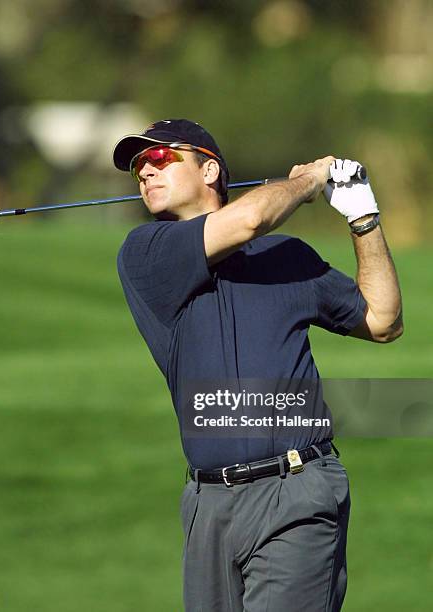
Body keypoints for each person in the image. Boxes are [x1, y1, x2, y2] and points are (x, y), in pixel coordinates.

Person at [112, 119, 403, 611]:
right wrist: (309, 181)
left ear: (209, 170)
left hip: (297, 493)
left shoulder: (286, 256)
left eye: (161, 158)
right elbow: (247, 221)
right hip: (208, 506)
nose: (145, 171)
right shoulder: (146, 253)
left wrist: (363, 217)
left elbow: (382, 319)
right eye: (139, 166)